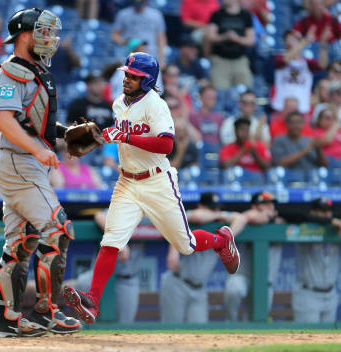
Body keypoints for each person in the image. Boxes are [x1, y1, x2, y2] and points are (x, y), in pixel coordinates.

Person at [62, 52, 240, 325]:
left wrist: (125, 136)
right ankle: (93, 302)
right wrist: (105, 136)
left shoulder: (156, 105)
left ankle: (221, 241)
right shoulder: (119, 104)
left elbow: (167, 145)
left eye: (134, 76)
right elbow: (122, 134)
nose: (127, 79)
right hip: (126, 182)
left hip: (157, 181)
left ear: (147, 81)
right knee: (111, 241)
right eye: (127, 74)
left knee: (186, 244)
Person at [0, 8, 82, 337]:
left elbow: (32, 122)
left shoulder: (34, 69)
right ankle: (46, 312)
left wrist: (64, 133)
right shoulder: (12, 70)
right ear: (25, 35)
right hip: (19, 160)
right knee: (58, 230)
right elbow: (4, 120)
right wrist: (38, 150)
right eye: (42, 31)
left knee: (21, 242)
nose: (50, 38)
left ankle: (8, 319)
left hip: (20, 160)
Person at [160, 192, 247, 323]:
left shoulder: (219, 227)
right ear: (201, 206)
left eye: (217, 208)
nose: (216, 211)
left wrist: (226, 238)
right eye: (212, 208)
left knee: (199, 332)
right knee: (171, 330)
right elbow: (197, 217)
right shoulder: (188, 215)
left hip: (199, 289)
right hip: (177, 283)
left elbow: (241, 218)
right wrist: (219, 215)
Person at [280, 197, 341, 323]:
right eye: (322, 211)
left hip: (331, 294)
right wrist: (330, 220)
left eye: (329, 211)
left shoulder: (338, 228)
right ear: (313, 212)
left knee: (328, 340)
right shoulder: (305, 227)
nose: (327, 214)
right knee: (307, 338)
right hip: (308, 294)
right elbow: (293, 215)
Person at [75, 210, 144, 324]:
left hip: (127, 280)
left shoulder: (150, 212)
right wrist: (120, 241)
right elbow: (99, 216)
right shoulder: (123, 205)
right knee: (84, 283)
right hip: (98, 277)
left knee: (125, 328)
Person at [224, 191, 283, 321]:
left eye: (271, 204)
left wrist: (270, 218)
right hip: (243, 277)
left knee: (256, 321)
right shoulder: (245, 219)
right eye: (265, 204)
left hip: (265, 282)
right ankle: (230, 322)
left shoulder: (280, 221)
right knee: (234, 288)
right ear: (254, 207)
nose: (270, 207)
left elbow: (282, 219)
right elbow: (247, 217)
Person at [271, 29, 328, 115]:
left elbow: (323, 65)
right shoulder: (278, 58)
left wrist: (323, 43)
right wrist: (305, 42)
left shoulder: (307, 63)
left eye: (293, 39)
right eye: (287, 39)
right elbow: (286, 59)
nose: (289, 41)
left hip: (302, 109)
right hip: (281, 108)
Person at [205, 0, 255, 89]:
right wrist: (225, 37)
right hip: (220, 61)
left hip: (240, 60)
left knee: (245, 90)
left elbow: (250, 40)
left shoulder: (246, 15)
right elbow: (210, 36)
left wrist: (236, 39)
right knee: (220, 92)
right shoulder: (217, 14)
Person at [111, 0, 167, 66]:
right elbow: (114, 35)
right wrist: (124, 42)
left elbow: (161, 38)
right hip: (129, 53)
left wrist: (162, 59)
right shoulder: (123, 14)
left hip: (150, 54)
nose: (139, 5)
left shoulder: (156, 15)